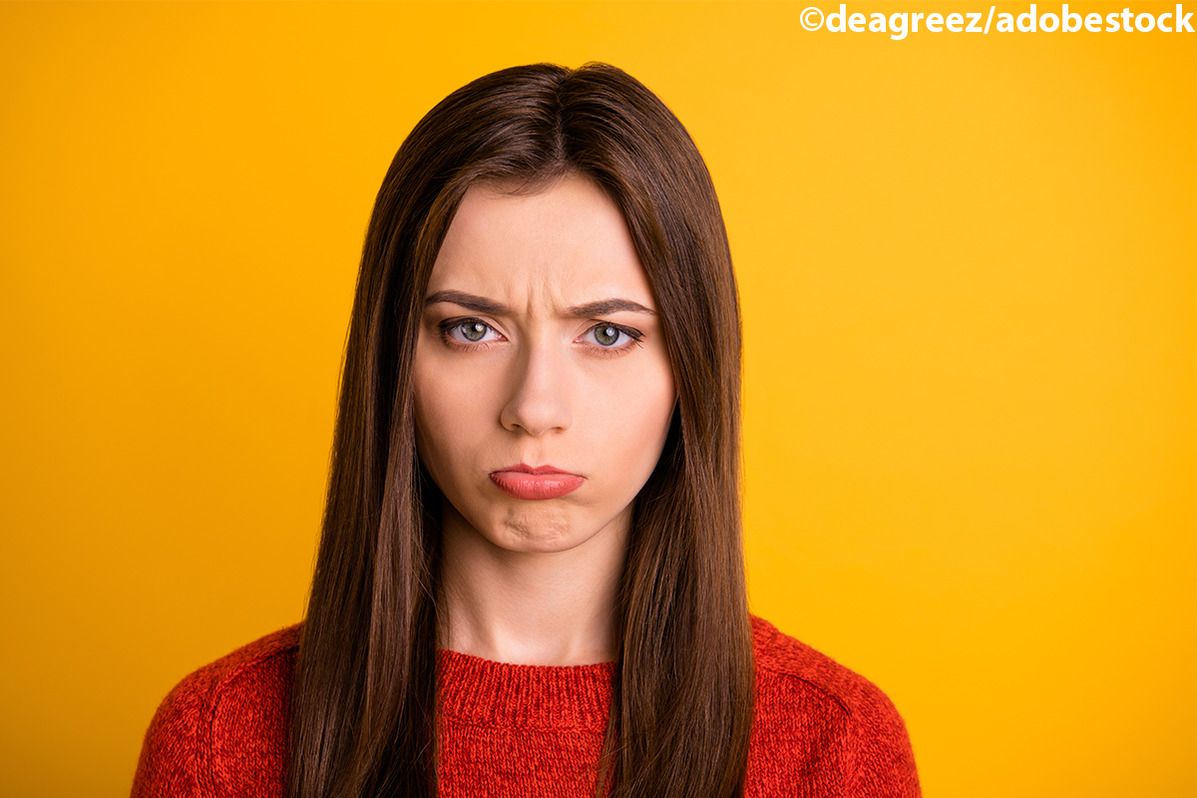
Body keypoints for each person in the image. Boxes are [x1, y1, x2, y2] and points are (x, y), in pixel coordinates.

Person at [130, 61, 922, 798]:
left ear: (692, 368)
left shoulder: (833, 748)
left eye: (607, 334)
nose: (535, 407)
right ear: (391, 361)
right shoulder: (221, 741)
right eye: (471, 329)